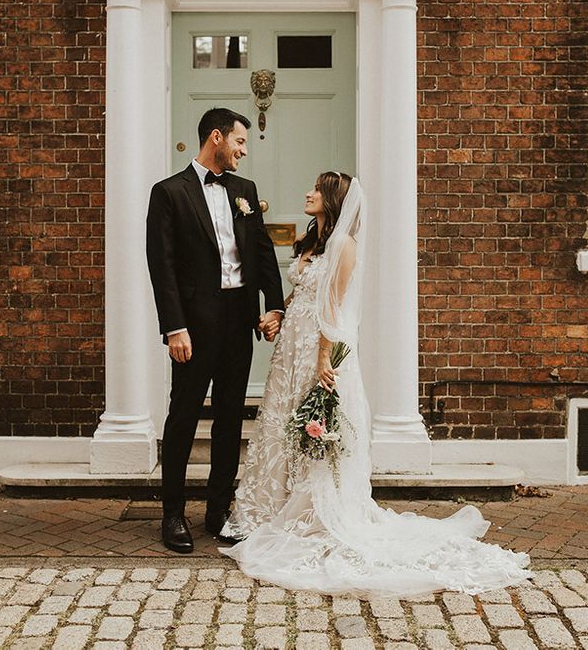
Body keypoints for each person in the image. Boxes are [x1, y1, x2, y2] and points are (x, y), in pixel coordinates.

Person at [220, 171, 532, 597]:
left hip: (319, 342)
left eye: (316, 189)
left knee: (313, 425)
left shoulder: (344, 246)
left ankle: (310, 514)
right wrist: (279, 311)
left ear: (332, 199)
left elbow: (332, 302)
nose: (307, 192)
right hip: (294, 341)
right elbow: (306, 293)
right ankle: (268, 510)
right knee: (282, 422)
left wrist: (323, 355)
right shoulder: (313, 242)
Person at [146, 107, 284, 554]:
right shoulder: (169, 193)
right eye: (240, 142)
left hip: (237, 322)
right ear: (218, 138)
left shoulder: (244, 191)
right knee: (184, 417)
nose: (244, 150)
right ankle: (172, 515)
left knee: (229, 419)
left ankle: (218, 511)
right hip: (193, 326)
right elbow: (161, 266)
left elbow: (262, 252)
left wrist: (274, 306)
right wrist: (174, 328)